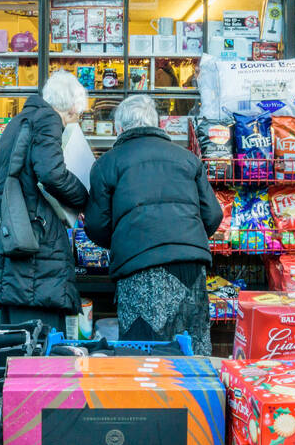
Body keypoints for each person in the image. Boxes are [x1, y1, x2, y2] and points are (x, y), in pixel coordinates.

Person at [83, 95, 223, 354]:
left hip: (139, 271)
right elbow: (213, 215)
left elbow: (96, 226)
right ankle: (196, 395)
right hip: (191, 268)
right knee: (191, 349)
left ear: (120, 129)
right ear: (157, 125)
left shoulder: (107, 163)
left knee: (143, 354)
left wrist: (123, 239)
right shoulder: (188, 159)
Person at [0, 70, 90, 331]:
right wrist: (83, 197)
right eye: (75, 116)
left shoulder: (18, 121)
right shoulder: (48, 119)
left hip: (12, 235)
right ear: (70, 107)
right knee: (41, 339)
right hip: (35, 241)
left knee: (15, 337)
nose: (73, 123)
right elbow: (51, 173)